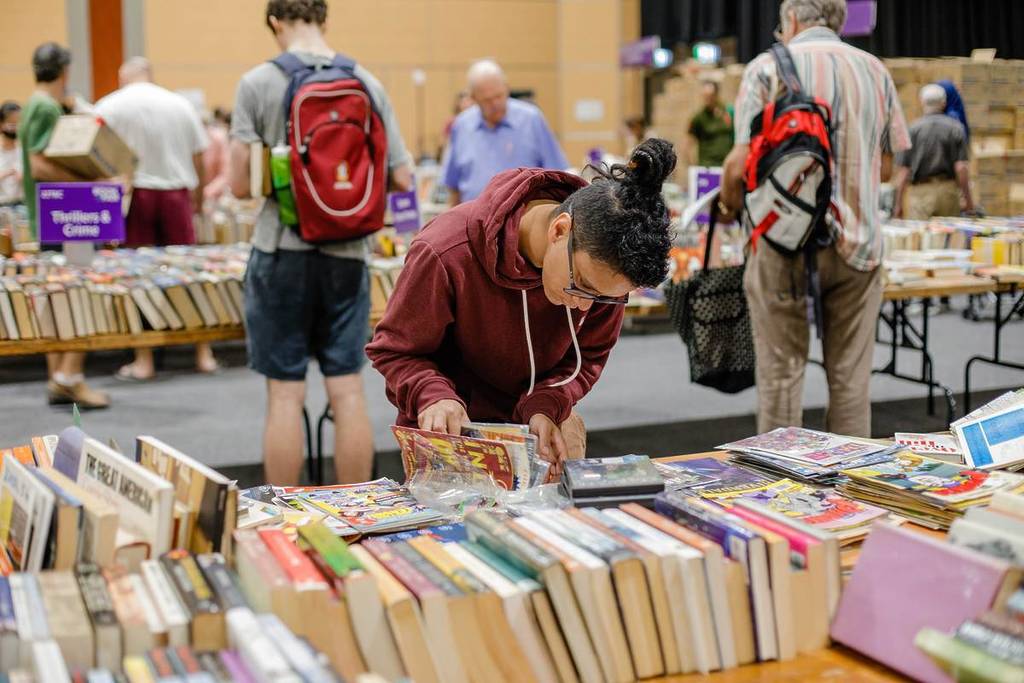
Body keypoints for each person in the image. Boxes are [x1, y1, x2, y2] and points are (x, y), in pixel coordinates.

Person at [366, 139, 676, 476]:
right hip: (452, 433)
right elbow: (395, 350)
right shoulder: (446, 250)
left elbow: (588, 357)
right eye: (582, 285)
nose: (585, 304)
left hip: (536, 432)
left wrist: (547, 405)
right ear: (560, 230)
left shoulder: (607, 272)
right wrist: (432, 394)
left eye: (604, 297)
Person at [228, 0, 413, 485]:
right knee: (347, 391)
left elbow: (239, 185)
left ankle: (282, 513)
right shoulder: (366, 82)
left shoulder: (257, 83)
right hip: (348, 254)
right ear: (324, 19)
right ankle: (357, 508)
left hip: (281, 253)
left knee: (285, 395)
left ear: (275, 22)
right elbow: (402, 176)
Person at [719, 0, 910, 438]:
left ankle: (782, 476)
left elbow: (738, 166)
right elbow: (887, 165)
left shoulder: (766, 69)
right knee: (851, 383)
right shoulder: (875, 70)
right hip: (859, 244)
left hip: (781, 241)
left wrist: (732, 207)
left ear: (791, 19)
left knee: (781, 377)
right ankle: (853, 476)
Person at [95, 57, 217, 381]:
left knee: (137, 275)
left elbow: (93, 152)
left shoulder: (109, 105)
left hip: (135, 195)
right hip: (176, 193)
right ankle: (203, 353)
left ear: (124, 77)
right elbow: (199, 157)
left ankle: (144, 359)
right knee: (189, 272)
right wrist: (199, 198)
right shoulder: (180, 105)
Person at [19, 42, 110, 409]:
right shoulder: (45, 107)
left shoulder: (34, 104)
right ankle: (70, 377)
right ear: (65, 70)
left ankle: (59, 378)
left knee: (58, 296)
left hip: (50, 218)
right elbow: (40, 164)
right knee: (77, 293)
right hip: (67, 217)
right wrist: (88, 184)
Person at [441, 59, 568, 205]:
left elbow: (558, 175)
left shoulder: (532, 119)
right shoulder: (461, 126)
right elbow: (453, 187)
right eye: (487, 100)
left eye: (499, 96)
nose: (495, 104)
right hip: (474, 215)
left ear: (507, 88)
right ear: (474, 98)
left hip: (524, 215)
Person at [892, 84, 973, 220]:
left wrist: (898, 204)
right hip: (948, 192)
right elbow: (961, 168)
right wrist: (968, 200)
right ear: (943, 103)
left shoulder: (913, 129)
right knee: (949, 232)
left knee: (920, 232)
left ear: (922, 102)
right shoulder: (956, 128)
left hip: (921, 194)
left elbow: (904, 171)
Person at [687, 81, 734, 167]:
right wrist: (693, 166)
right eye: (705, 96)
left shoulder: (729, 112)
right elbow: (689, 142)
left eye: (710, 96)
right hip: (707, 166)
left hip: (726, 165)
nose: (707, 99)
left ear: (716, 95)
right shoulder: (699, 117)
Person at [0, 101, 23, 206]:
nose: (15, 127)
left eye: (18, 123)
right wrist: (7, 173)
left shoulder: (25, 153)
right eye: (11, 123)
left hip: (22, 205)